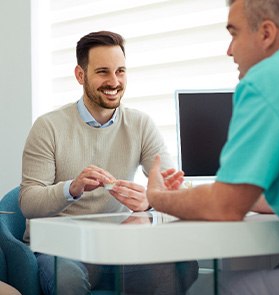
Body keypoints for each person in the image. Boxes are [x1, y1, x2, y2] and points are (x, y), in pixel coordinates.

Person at [20, 31, 198, 294]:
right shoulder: (48, 127)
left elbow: (172, 187)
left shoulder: (140, 124)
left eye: (120, 71)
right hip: (64, 247)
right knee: (67, 280)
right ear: (81, 75)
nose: (114, 81)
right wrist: (72, 188)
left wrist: (151, 199)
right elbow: (28, 203)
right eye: (103, 72)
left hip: (117, 246)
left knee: (180, 265)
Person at [146, 0, 279, 294]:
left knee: (206, 289)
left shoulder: (266, 81)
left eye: (234, 33)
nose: (230, 50)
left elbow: (225, 207)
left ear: (266, 33)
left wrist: (157, 197)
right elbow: (245, 199)